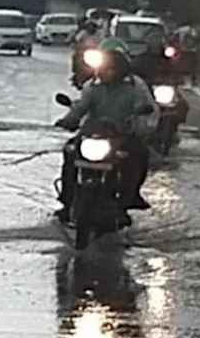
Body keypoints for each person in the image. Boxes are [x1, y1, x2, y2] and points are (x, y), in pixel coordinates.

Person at [54, 39, 156, 224]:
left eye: (112, 69)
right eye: (106, 68)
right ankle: (67, 201)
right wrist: (68, 121)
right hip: (92, 135)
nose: (108, 73)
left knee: (140, 154)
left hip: (122, 136)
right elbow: (81, 107)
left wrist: (141, 125)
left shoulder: (134, 88)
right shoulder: (93, 87)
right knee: (69, 152)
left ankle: (129, 197)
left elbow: (144, 109)